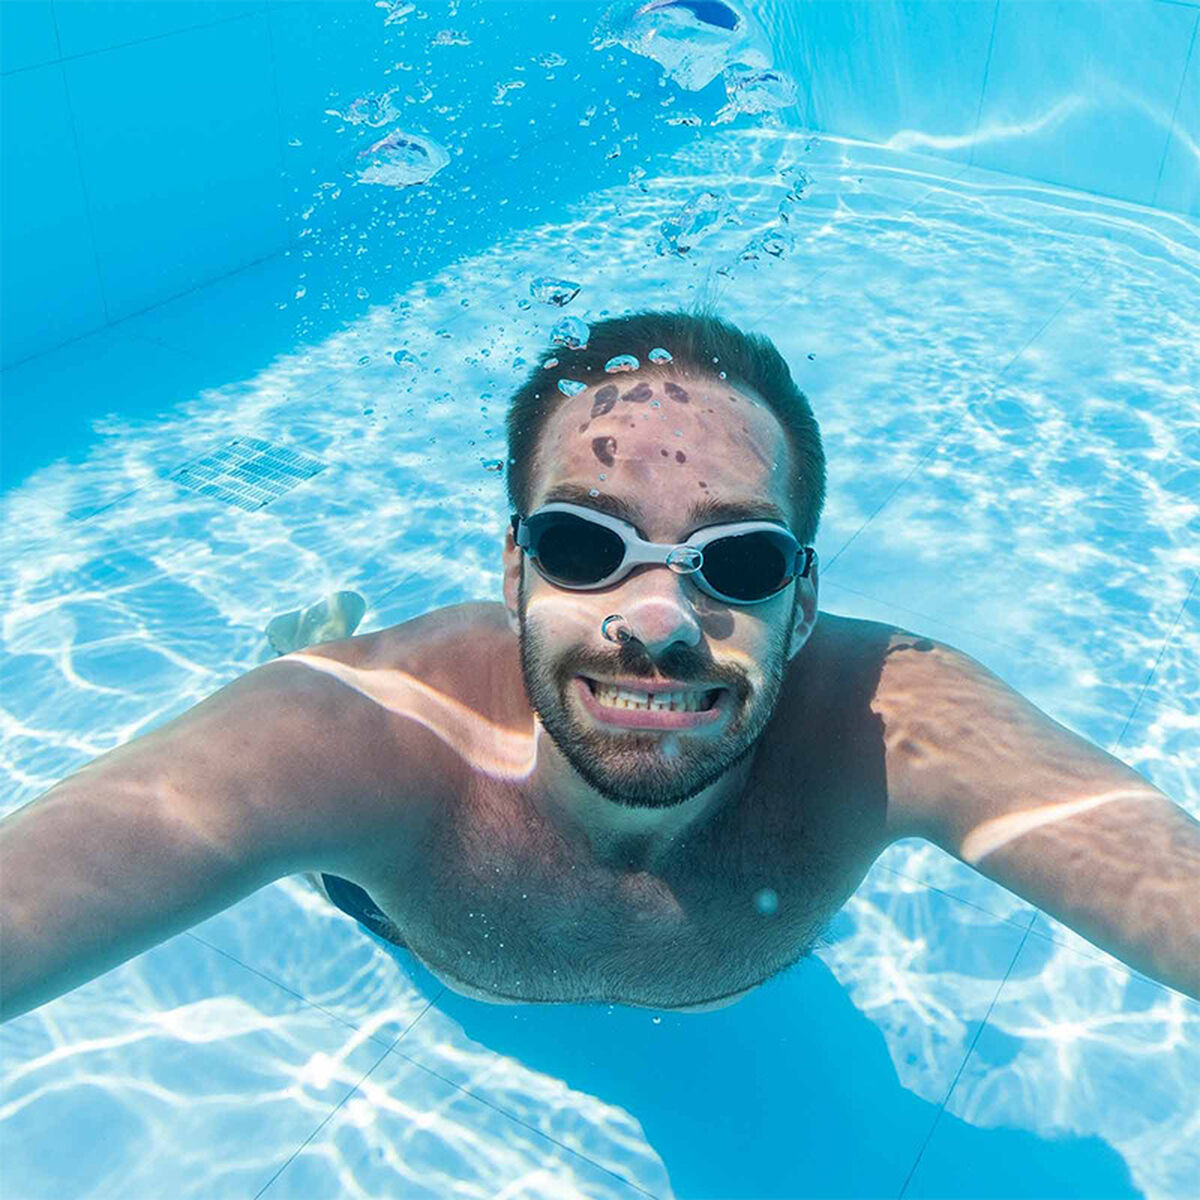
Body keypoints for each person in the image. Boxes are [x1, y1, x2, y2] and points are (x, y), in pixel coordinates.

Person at [2, 309, 1197, 1023]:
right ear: (514, 570)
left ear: (804, 601)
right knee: (320, 723)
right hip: (407, 916)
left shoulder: (898, 722)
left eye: (738, 559)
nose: (661, 621)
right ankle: (306, 640)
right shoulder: (356, 735)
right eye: (586, 545)